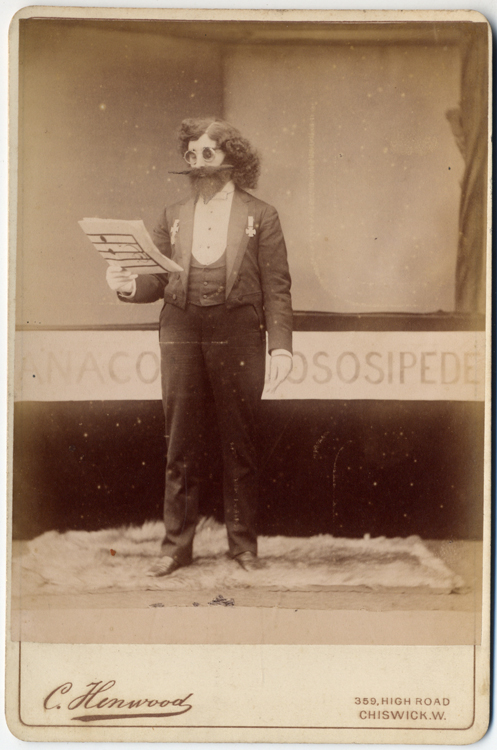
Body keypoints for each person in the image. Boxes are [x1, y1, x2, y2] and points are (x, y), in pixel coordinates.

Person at [106, 117, 293, 575]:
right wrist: (127, 285)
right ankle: (176, 547)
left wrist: (281, 347)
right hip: (181, 330)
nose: (198, 163)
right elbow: (155, 281)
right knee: (180, 442)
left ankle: (243, 546)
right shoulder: (172, 216)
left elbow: (277, 287)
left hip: (239, 333)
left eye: (208, 152)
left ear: (232, 157)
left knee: (239, 442)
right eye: (191, 155)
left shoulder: (262, 215)